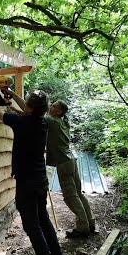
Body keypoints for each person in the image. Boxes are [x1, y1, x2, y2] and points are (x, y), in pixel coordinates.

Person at [0, 87, 63, 255]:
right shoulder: (42, 121)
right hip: (40, 181)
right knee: (43, 220)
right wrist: (12, 95)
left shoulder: (22, 122)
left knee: (32, 226)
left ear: (30, 108)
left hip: (27, 183)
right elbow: (27, 110)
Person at [46, 99, 96, 238]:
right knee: (78, 194)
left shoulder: (53, 122)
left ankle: (82, 228)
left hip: (64, 164)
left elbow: (31, 114)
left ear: (60, 111)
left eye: (54, 106)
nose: (51, 106)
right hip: (70, 161)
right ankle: (90, 223)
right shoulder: (63, 122)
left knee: (70, 197)